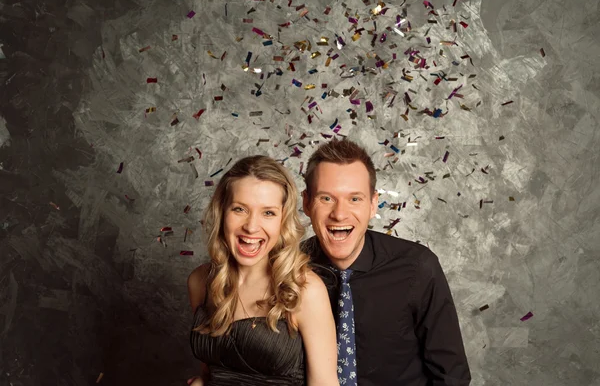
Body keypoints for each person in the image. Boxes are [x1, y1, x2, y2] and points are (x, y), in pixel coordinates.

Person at [301, 139, 471, 386]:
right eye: (326, 198)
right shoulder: (288, 270)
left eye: (355, 199)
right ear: (306, 202)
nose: (339, 213)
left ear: (372, 204)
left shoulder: (418, 268)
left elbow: (451, 377)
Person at [186, 155, 339, 386]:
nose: (251, 226)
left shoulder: (306, 289)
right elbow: (211, 372)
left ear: (283, 220)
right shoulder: (200, 281)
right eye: (239, 209)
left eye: (268, 212)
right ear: (222, 212)